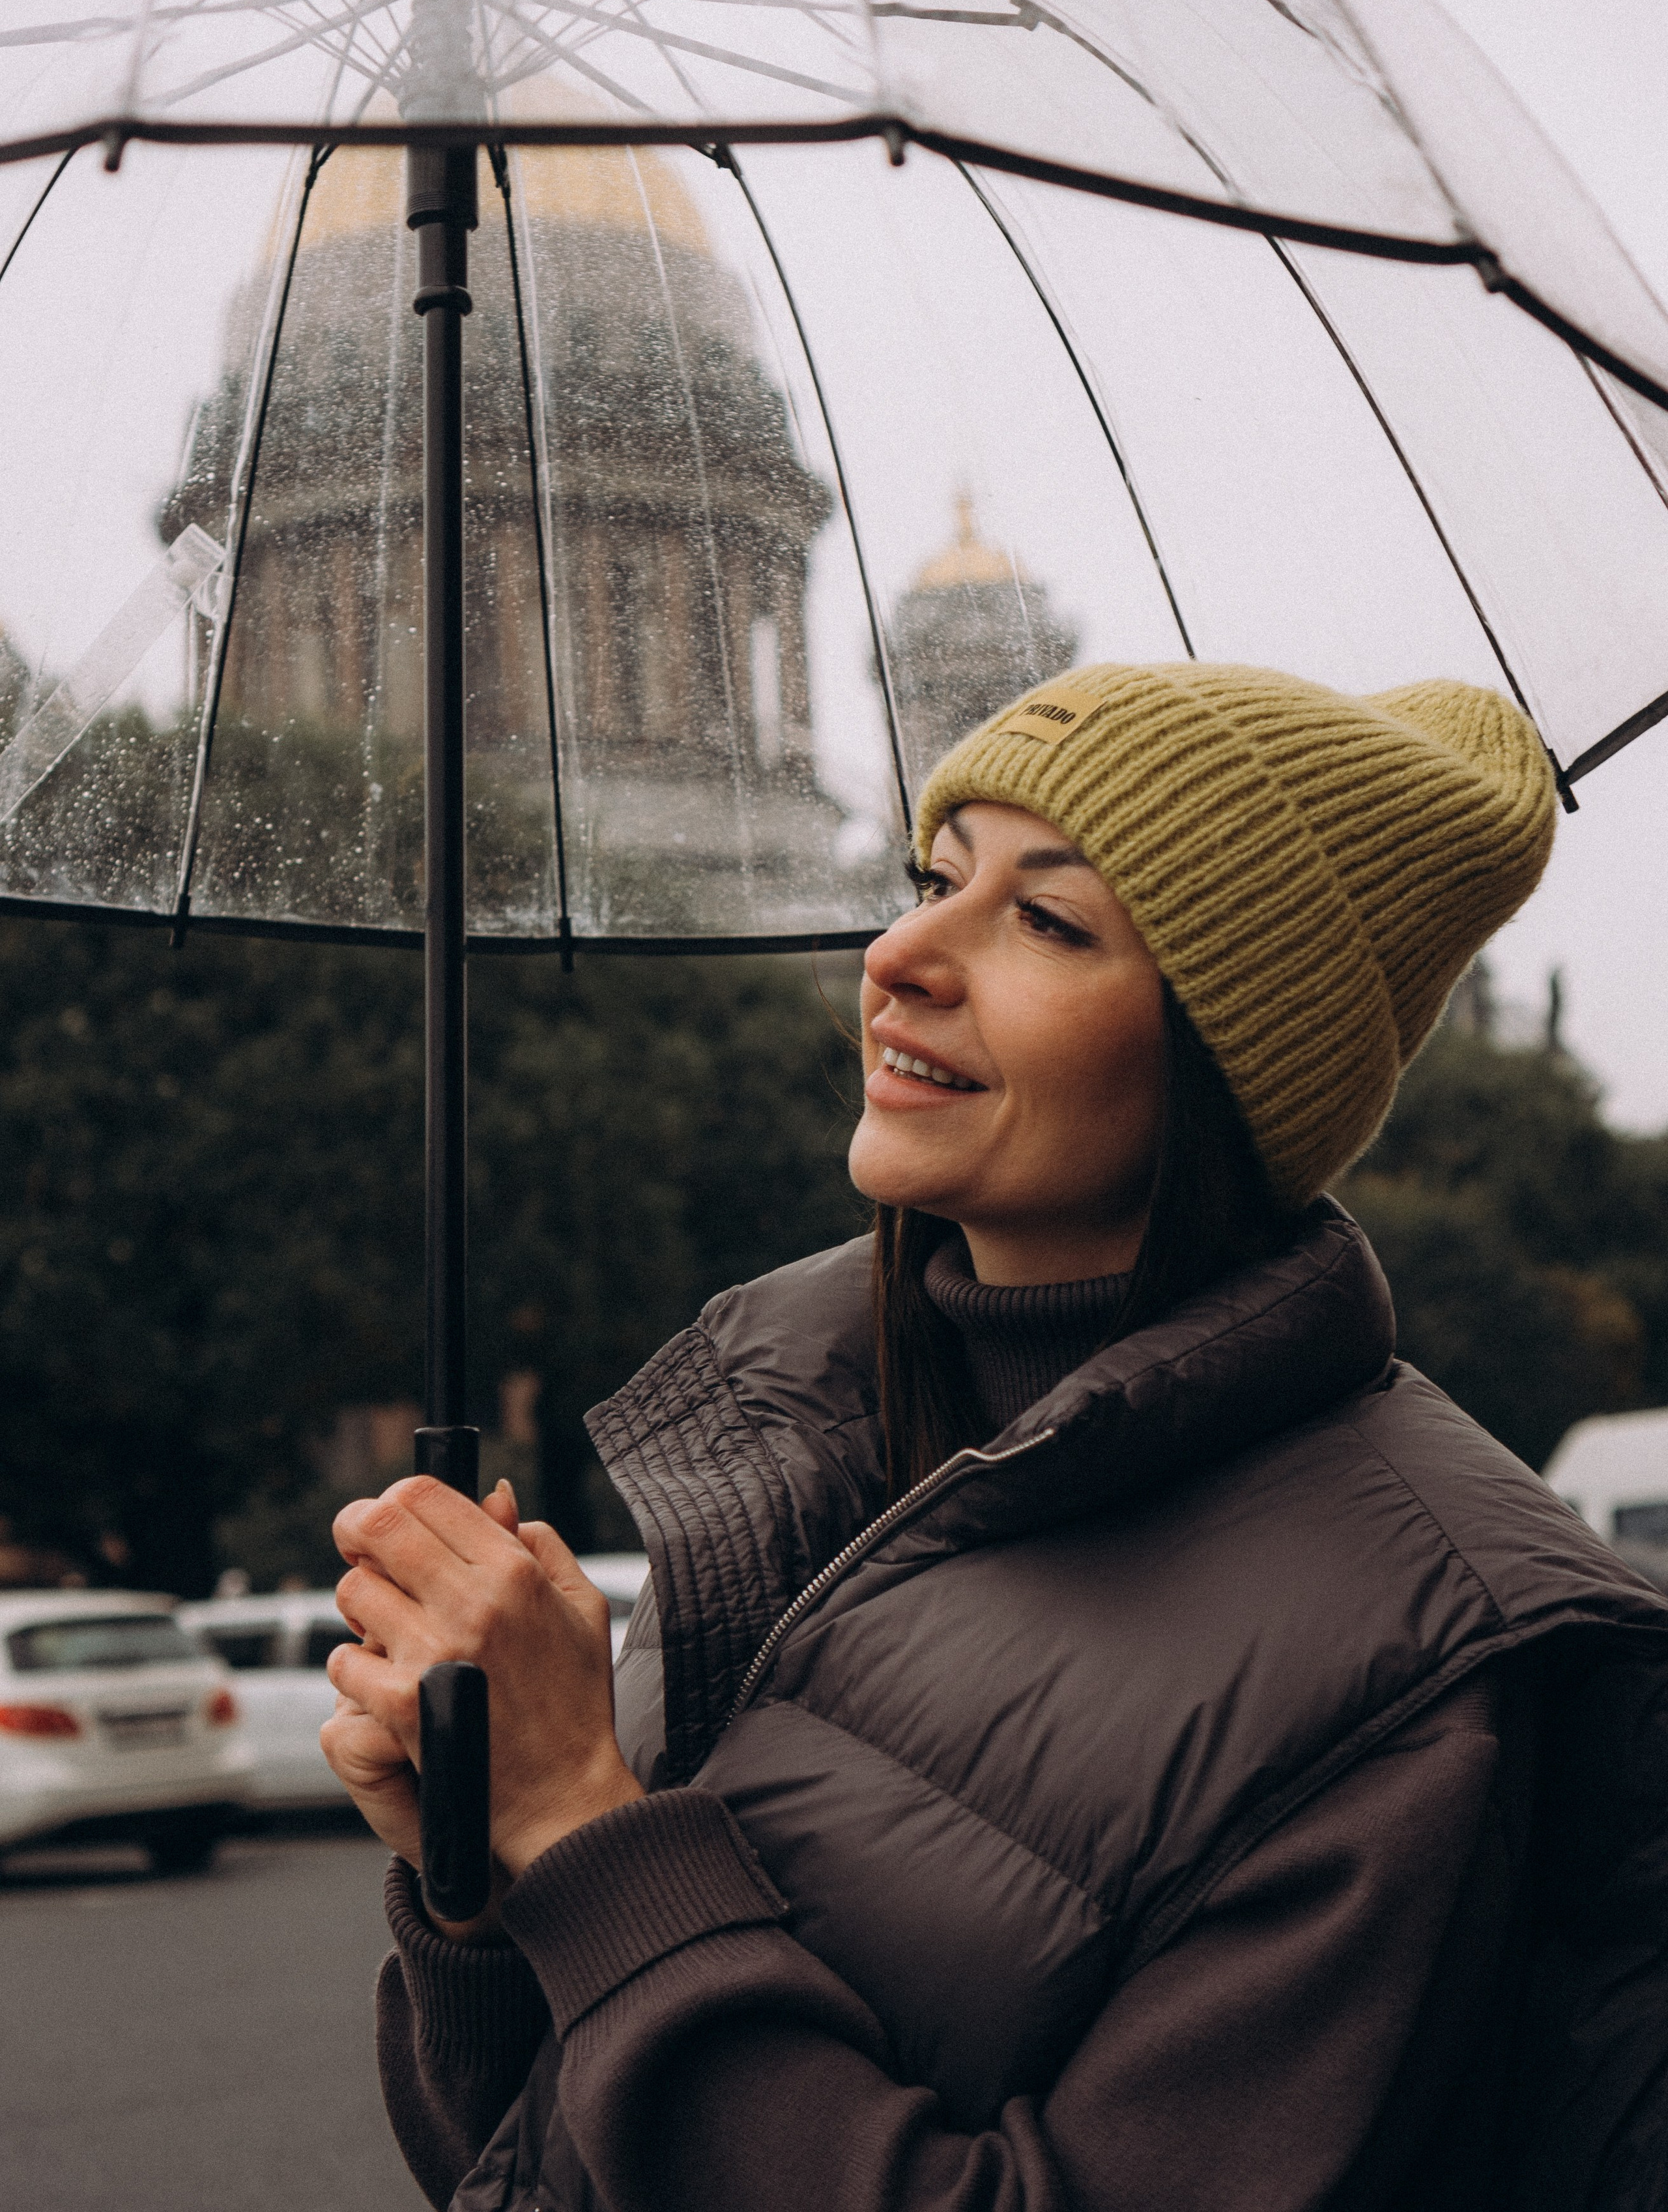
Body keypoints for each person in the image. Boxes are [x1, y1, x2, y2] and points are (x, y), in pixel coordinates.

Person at [323, 662, 1668, 2212]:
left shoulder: (1426, 1663)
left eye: (1044, 919)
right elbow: (531, 2162)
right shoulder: (795, 1446)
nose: (895, 956)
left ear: (1230, 1065)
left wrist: (581, 1825)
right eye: (932, 880)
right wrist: (489, 1882)